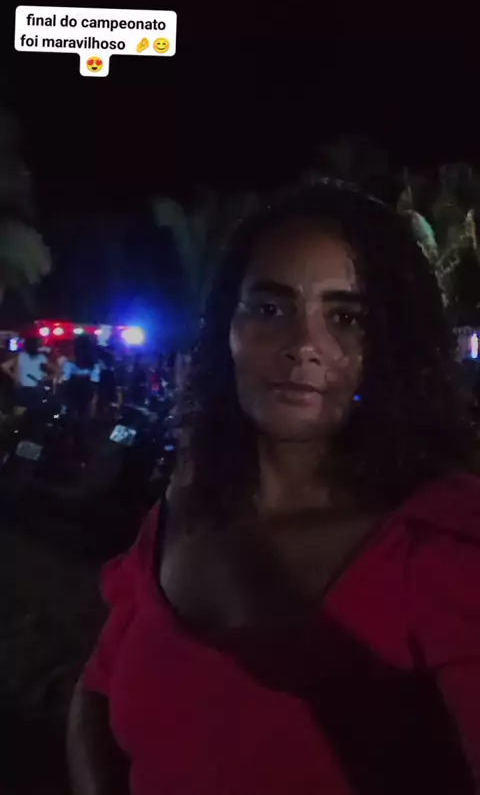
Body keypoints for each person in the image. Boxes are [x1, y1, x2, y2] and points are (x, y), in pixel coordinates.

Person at [68, 179, 480, 795]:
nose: (303, 346)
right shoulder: (185, 507)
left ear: (391, 346)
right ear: (224, 329)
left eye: (346, 317)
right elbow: (95, 696)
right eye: (269, 308)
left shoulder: (444, 542)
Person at [62, 335, 100, 459]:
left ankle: (67, 444)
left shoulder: (70, 360)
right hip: (86, 390)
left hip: (72, 390)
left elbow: (65, 378)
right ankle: (81, 445)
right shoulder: (92, 361)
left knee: (70, 416)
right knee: (83, 417)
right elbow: (95, 379)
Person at [1, 336, 54, 413]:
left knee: (21, 411)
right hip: (36, 388)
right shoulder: (41, 357)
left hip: (22, 388)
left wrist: (15, 377)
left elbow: (4, 366)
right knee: (35, 411)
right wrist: (45, 379)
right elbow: (57, 371)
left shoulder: (20, 356)